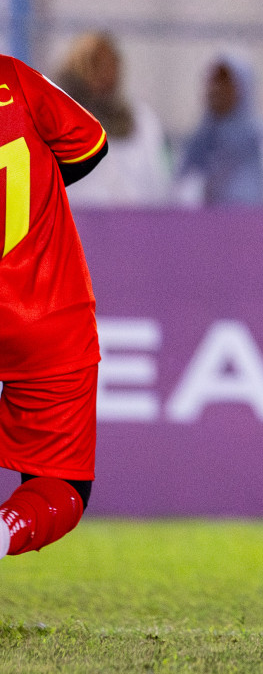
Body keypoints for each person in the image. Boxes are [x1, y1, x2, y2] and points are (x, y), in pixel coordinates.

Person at [0, 52, 109, 561]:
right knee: (59, 484)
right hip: (47, 313)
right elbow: (91, 144)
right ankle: (5, 530)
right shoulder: (10, 77)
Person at [175, 50, 263, 209]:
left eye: (226, 81)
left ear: (244, 87)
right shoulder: (197, 148)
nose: (216, 89)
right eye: (213, 81)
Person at [55, 32, 172, 207]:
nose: (105, 74)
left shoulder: (140, 119)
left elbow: (157, 181)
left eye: (111, 65)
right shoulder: (55, 117)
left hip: (132, 222)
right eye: (95, 64)